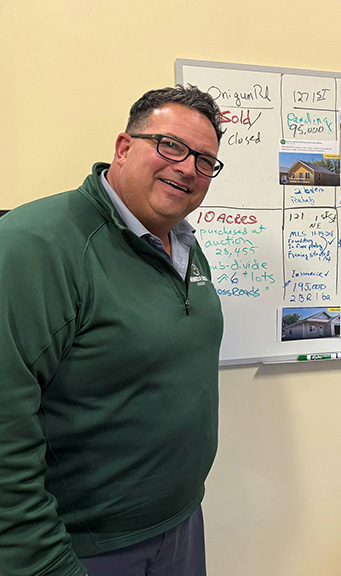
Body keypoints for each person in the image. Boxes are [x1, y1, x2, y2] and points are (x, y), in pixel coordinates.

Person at [0, 85, 225, 576]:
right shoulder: (35, 244)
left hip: (179, 526)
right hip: (84, 549)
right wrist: (42, 564)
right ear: (123, 148)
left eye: (205, 160)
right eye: (171, 146)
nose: (188, 167)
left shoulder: (180, 241)